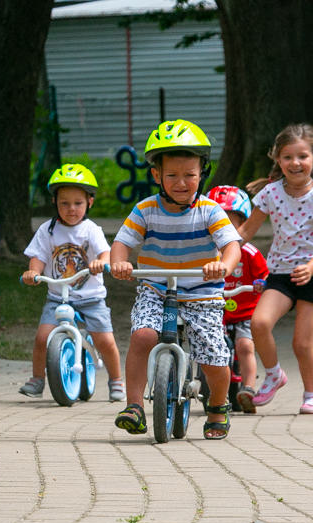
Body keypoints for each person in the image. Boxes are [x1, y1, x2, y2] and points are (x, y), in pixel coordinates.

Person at [110, 119, 242, 440]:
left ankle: (218, 407)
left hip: (202, 292)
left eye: (190, 175)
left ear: (202, 174)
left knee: (213, 357)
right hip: (156, 289)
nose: (181, 183)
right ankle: (134, 406)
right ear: (157, 175)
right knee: (142, 336)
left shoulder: (210, 211)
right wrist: (119, 263)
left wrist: (223, 265)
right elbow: (122, 242)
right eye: (172, 175)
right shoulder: (145, 210)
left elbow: (231, 246)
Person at [239, 124, 313, 414]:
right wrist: (222, 250)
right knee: (258, 323)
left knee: (301, 343)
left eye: (302, 156)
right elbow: (246, 230)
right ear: (278, 161)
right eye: (288, 157)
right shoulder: (270, 194)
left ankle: (312, 394)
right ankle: (274, 375)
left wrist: (310, 267)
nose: (295, 163)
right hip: (281, 274)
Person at [20, 164, 124, 402]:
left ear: (90, 202)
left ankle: (116, 380)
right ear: (55, 202)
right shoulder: (48, 230)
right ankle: (37, 379)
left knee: (104, 339)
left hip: (91, 298)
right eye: (64, 203)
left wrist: (101, 262)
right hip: (58, 296)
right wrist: (32, 272)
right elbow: (38, 257)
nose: (71, 209)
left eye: (78, 203)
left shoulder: (91, 230)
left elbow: (105, 254)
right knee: (42, 337)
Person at [206, 185, 269, 414]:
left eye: (232, 223)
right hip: (215, 310)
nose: (225, 230)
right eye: (219, 224)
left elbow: (265, 275)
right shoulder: (206, 250)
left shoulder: (249, 251)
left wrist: (262, 283)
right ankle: (211, 388)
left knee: (245, 346)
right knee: (210, 347)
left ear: (243, 225)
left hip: (244, 312)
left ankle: (249, 389)